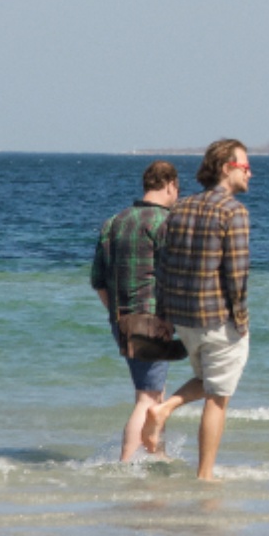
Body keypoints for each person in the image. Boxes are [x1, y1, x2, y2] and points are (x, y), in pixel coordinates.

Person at [142, 138, 252, 480]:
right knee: (218, 397)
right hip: (217, 318)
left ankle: (165, 408)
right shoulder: (233, 212)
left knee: (208, 379)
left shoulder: (180, 208)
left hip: (184, 317)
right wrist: (242, 318)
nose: (250, 173)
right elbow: (236, 274)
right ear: (226, 168)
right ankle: (205, 476)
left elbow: (163, 265)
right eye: (245, 167)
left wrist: (164, 315)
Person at [90, 159, 181, 462]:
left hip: (122, 320)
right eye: (176, 190)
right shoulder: (166, 223)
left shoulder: (114, 222)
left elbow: (98, 282)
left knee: (153, 394)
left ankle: (157, 454)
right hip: (153, 321)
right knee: (148, 399)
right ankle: (128, 464)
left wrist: (119, 316)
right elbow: (176, 276)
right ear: (170, 185)